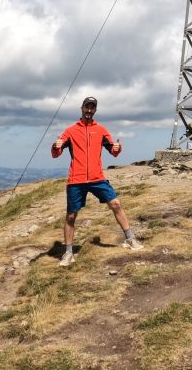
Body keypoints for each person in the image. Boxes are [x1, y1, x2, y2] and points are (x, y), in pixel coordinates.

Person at [51, 96, 143, 266]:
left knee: (115, 204)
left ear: (95, 110)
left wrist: (117, 148)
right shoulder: (70, 131)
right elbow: (56, 153)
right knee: (71, 216)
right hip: (76, 179)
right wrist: (56, 146)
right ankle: (68, 253)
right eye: (87, 107)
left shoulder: (101, 130)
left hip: (97, 178)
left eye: (92, 108)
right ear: (82, 108)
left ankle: (130, 239)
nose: (89, 110)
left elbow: (113, 151)